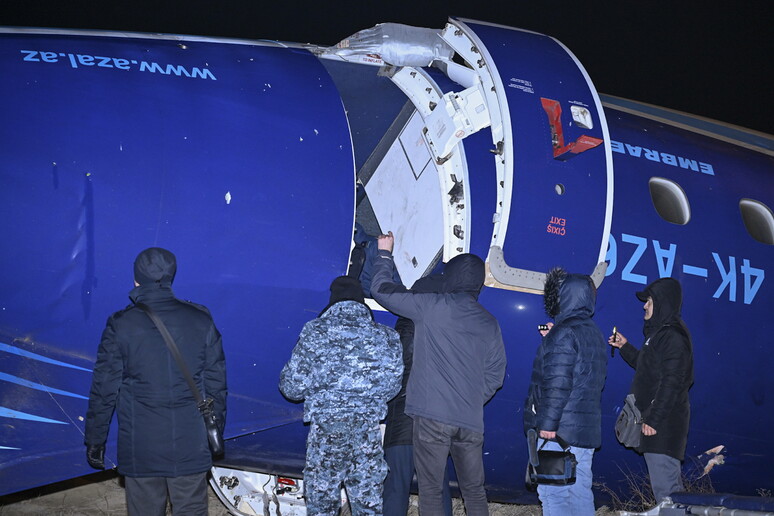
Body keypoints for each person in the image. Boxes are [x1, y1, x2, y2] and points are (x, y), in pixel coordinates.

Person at [371, 231, 507, 516]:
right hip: (470, 421)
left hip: (431, 417)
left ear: (452, 277)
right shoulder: (489, 322)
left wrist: (384, 253)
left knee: (431, 490)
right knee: (473, 492)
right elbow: (496, 374)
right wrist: (469, 399)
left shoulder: (433, 307)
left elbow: (382, 290)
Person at [84, 247, 227, 516]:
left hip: (141, 445)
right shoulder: (200, 319)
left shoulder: (121, 324)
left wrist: (95, 438)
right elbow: (217, 383)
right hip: (190, 441)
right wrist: (215, 430)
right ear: (171, 277)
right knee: (192, 509)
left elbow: (104, 389)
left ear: (136, 279)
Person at [279, 275, 403, 515]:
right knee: (368, 506)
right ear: (362, 302)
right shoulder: (387, 337)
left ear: (332, 302)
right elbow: (392, 388)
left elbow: (291, 388)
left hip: (326, 432)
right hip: (367, 432)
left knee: (322, 504)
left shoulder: (315, 332)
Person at [523, 268, 608, 516]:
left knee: (553, 494)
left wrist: (548, 426)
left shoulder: (564, 333)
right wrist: (550, 339)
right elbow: (580, 375)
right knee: (580, 491)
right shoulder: (593, 333)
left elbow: (558, 382)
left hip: (559, 432)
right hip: (583, 431)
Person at [609, 277, 694, 504]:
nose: (645, 306)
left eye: (649, 301)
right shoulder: (659, 335)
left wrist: (654, 419)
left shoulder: (673, 337)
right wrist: (624, 347)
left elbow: (673, 382)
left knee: (668, 494)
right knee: (666, 491)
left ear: (663, 302)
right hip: (659, 426)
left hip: (664, 428)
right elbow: (647, 367)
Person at [382, 276, 452, 516]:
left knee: (395, 488)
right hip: (436, 422)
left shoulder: (403, 325)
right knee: (436, 488)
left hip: (402, 420)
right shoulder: (450, 327)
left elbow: (390, 374)